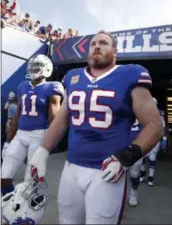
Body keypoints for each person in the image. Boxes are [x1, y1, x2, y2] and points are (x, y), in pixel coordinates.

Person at [29, 31, 164, 224]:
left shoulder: (130, 74)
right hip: (71, 167)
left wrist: (128, 155)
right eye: (93, 44)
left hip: (108, 169)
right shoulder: (73, 78)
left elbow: (155, 125)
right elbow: (61, 120)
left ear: (115, 51)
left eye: (104, 43)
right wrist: (43, 150)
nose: (97, 46)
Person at [1, 54, 64, 197]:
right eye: (33, 66)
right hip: (20, 134)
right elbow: (17, 116)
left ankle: (27, 212)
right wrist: (8, 141)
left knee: (31, 182)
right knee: (3, 176)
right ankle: (10, 204)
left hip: (39, 135)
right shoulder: (23, 85)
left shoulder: (53, 86)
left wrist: (48, 145)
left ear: (47, 69)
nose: (34, 70)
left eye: (38, 67)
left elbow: (55, 117)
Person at [140, 98, 167, 186]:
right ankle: (143, 173)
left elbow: (162, 126)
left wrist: (164, 138)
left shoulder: (159, 113)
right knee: (141, 157)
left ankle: (151, 177)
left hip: (154, 138)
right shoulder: (142, 112)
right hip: (144, 137)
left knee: (152, 157)